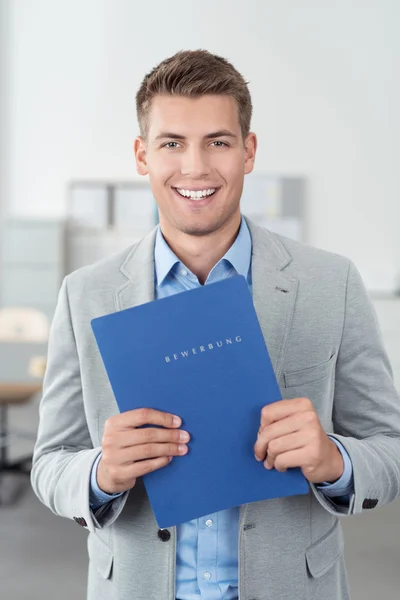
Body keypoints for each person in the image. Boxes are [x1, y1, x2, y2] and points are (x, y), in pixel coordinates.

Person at [31, 49, 400, 600]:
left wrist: (332, 459)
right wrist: (100, 473)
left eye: (218, 142)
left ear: (248, 152)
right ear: (142, 155)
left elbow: (389, 450)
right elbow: (49, 464)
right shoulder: (86, 294)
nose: (196, 168)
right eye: (172, 143)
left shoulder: (331, 283)